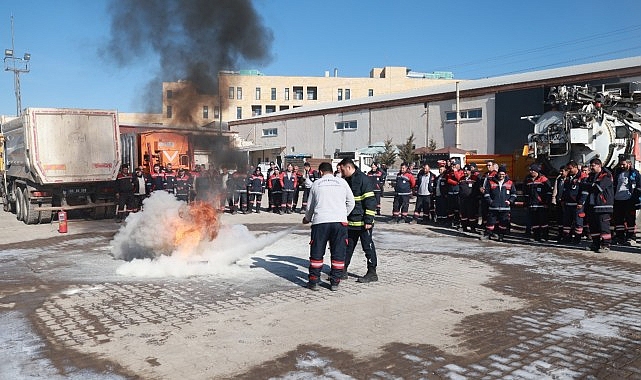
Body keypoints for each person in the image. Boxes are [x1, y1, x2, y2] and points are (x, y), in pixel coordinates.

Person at [302, 162, 355, 291]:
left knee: (317, 252)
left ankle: (314, 281)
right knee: (338, 252)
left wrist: (307, 219)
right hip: (340, 223)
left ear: (320, 172)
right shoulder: (342, 182)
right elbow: (351, 202)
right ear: (332, 171)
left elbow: (310, 206)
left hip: (320, 222)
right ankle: (335, 282)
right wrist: (342, 214)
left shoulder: (316, 184)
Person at [338, 158, 379, 283]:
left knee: (368, 247)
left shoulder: (363, 179)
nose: (341, 172)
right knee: (347, 247)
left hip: (363, 223)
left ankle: (372, 272)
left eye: (343, 169)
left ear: (349, 167)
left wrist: (368, 220)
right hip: (351, 222)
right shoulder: (346, 180)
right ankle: (343, 270)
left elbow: (371, 201)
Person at [583, 158, 614, 252]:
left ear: (599, 165)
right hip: (592, 205)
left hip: (603, 206)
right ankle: (595, 244)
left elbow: (598, 188)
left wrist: (590, 185)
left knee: (603, 226)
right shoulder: (591, 176)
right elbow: (584, 185)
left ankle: (606, 245)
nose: (591, 168)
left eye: (593, 166)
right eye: (590, 166)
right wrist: (591, 185)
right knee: (593, 226)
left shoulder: (606, 175)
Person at [481, 165, 516, 242]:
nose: (501, 176)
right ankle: (488, 234)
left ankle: (501, 236)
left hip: (505, 207)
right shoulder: (491, 181)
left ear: (505, 174)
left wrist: (510, 201)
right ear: (497, 173)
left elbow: (514, 194)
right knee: (490, 222)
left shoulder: (510, 182)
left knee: (503, 223)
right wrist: (490, 201)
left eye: (503, 174)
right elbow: (486, 193)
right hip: (493, 207)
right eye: (500, 174)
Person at [612, 158, 641, 245]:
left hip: (629, 200)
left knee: (630, 220)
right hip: (618, 199)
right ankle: (619, 237)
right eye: (620, 164)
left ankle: (631, 237)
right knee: (618, 220)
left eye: (623, 164)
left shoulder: (635, 173)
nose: (621, 166)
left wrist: (635, 198)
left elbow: (639, 186)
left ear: (629, 164)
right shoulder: (617, 173)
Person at [523, 164, 553, 241]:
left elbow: (549, 192)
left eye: (532, 170)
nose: (530, 172)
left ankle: (545, 237)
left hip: (542, 205)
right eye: (530, 170)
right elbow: (525, 193)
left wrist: (546, 203)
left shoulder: (544, 179)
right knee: (535, 222)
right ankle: (536, 237)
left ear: (536, 171)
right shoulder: (527, 179)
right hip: (532, 204)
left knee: (543, 222)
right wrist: (526, 203)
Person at [560, 161, 587, 244]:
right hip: (568, 204)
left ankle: (577, 239)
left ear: (576, 167)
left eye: (570, 168)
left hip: (577, 205)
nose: (569, 170)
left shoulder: (582, 176)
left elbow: (584, 191)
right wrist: (563, 200)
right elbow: (565, 190)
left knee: (578, 222)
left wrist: (581, 202)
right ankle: (566, 238)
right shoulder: (568, 177)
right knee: (566, 222)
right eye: (568, 169)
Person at [458, 164, 481, 232]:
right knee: (463, 214)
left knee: (472, 214)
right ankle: (464, 227)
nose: (465, 172)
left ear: (470, 171)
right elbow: (459, 189)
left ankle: (473, 228)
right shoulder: (461, 179)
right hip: (463, 200)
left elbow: (478, 188)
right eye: (464, 171)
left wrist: (476, 198)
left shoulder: (475, 178)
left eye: (466, 171)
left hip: (472, 200)